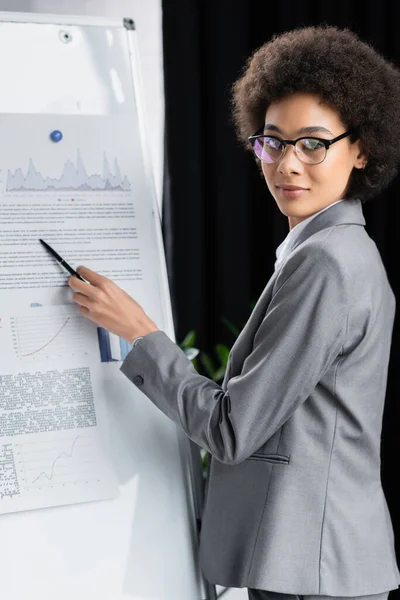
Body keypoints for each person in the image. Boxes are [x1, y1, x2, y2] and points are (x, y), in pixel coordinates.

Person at [68, 25, 400, 600]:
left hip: (311, 573)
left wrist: (139, 331)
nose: (287, 164)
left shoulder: (327, 264)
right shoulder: (332, 252)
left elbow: (232, 429)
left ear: (362, 148)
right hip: (312, 566)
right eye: (272, 141)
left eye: (313, 143)